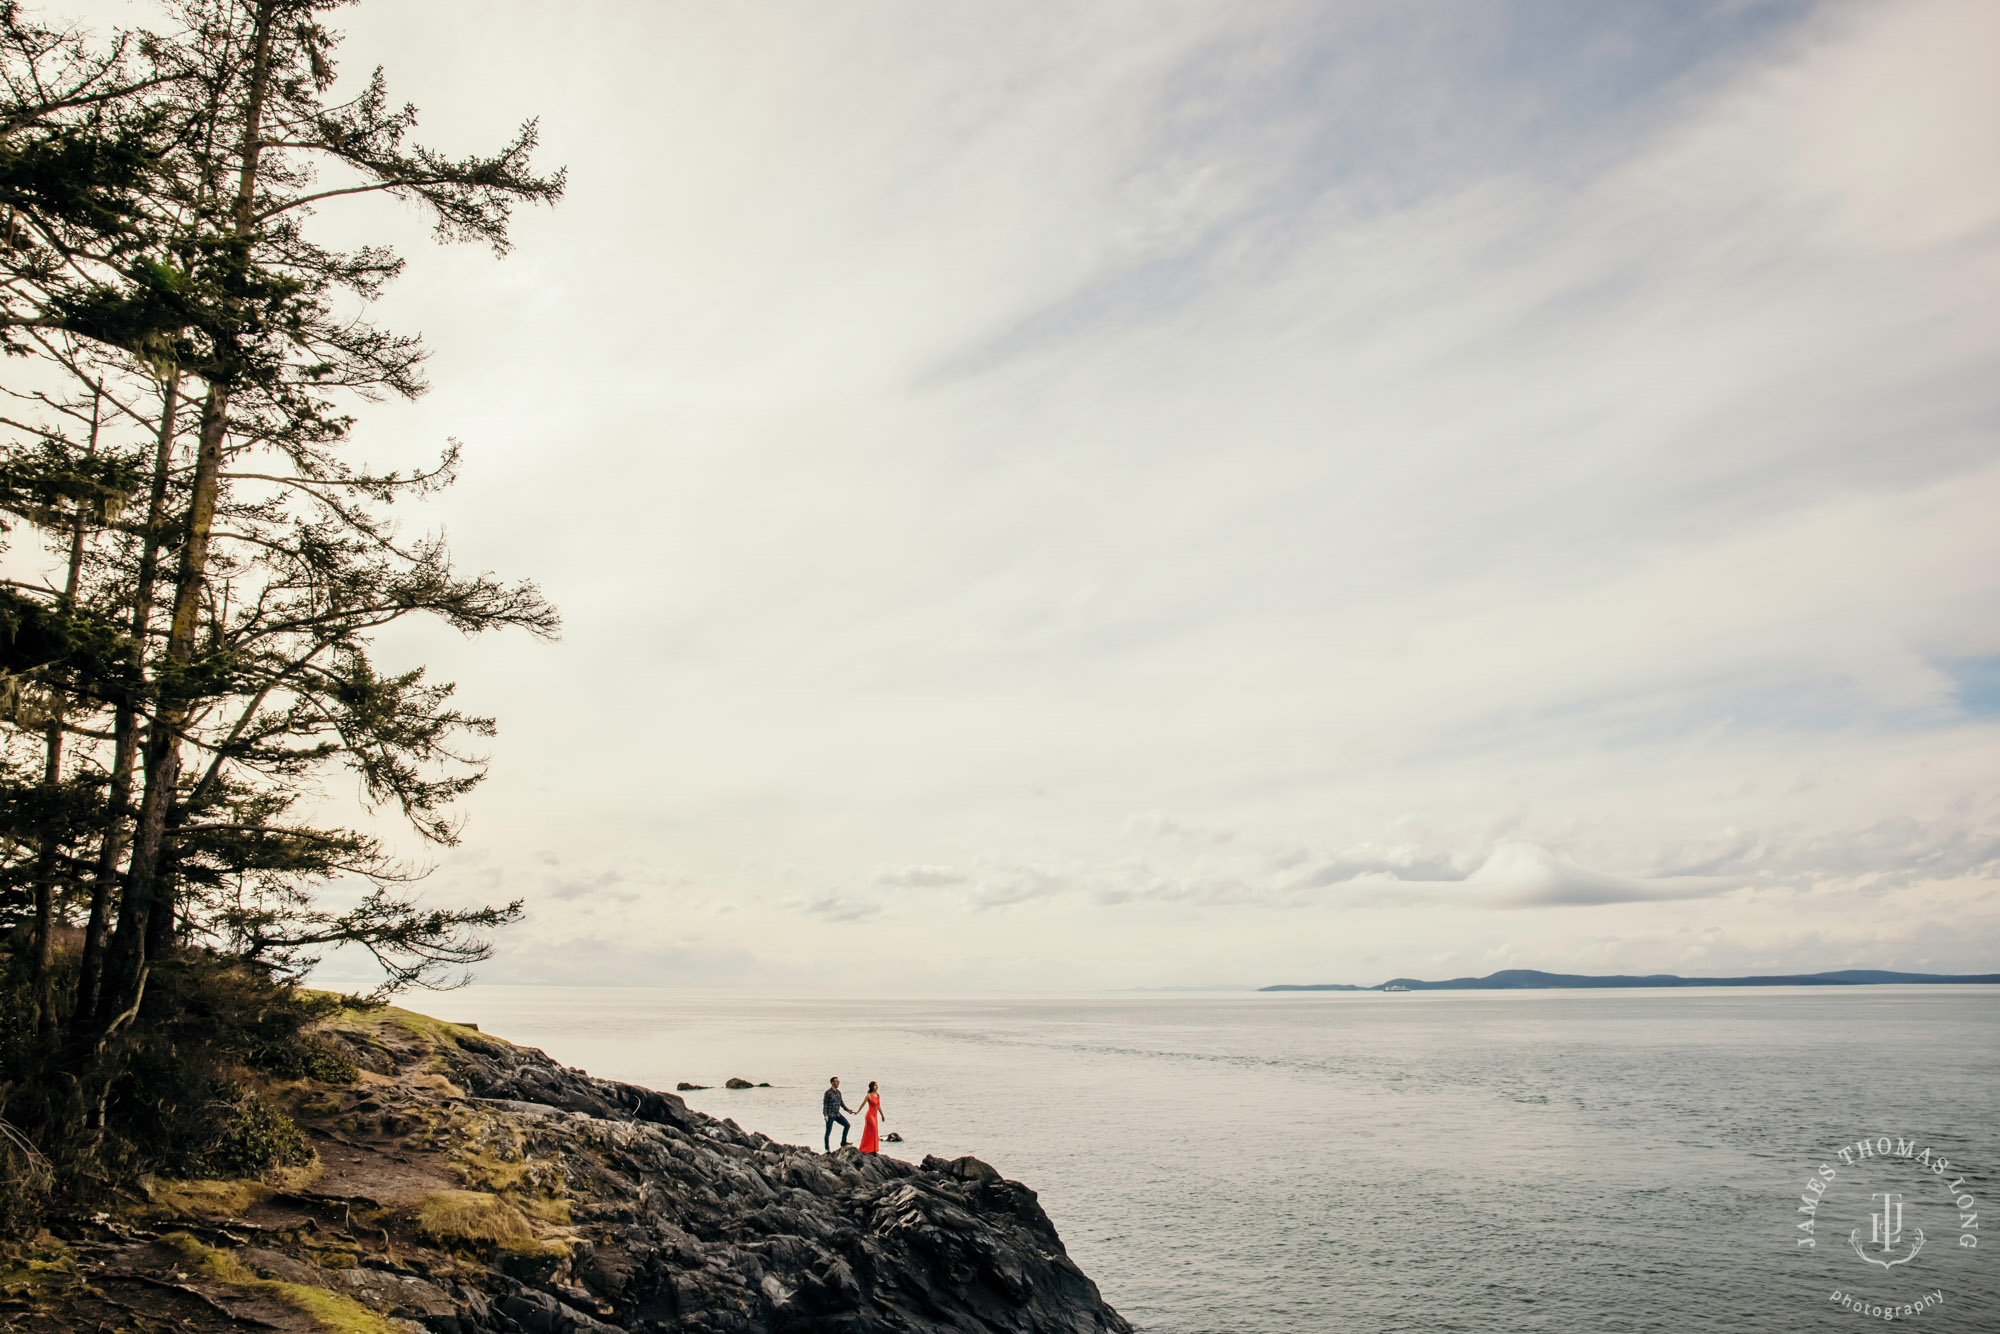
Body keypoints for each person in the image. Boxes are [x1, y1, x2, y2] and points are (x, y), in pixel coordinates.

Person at [823, 1076, 857, 1151]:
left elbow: (841, 1103)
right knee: (828, 1132)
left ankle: (843, 1142)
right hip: (830, 1115)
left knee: (847, 1125)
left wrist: (848, 1110)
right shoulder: (828, 1093)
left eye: (838, 1082)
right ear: (832, 1082)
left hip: (837, 1114)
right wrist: (825, 1115)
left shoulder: (838, 1092)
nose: (838, 1083)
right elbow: (825, 1105)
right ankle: (827, 1149)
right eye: (836, 1082)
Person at [858, 1080, 884, 1154]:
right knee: (873, 1130)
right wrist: (857, 1111)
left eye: (877, 1085)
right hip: (869, 1116)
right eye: (875, 1085)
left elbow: (878, 1106)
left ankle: (873, 1149)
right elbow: (863, 1104)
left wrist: (882, 1115)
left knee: (874, 1132)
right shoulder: (869, 1095)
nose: (877, 1087)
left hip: (875, 1116)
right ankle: (867, 1148)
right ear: (872, 1087)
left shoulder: (878, 1095)